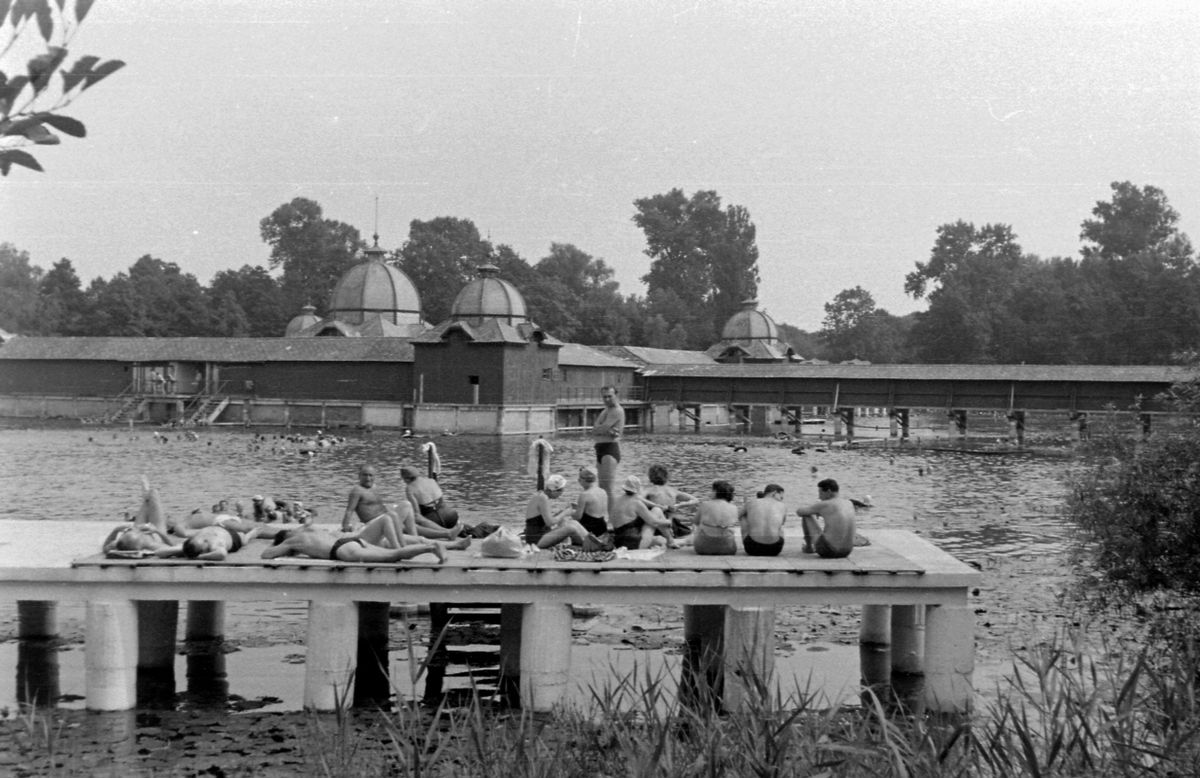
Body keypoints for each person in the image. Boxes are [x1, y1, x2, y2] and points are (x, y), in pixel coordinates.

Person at [262, 514, 454, 564]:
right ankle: (429, 545)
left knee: (393, 555)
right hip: (352, 541)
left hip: (343, 551)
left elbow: (266, 555)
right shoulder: (310, 529)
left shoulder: (293, 540)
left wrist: (285, 547)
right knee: (393, 554)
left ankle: (431, 547)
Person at [345, 464, 460, 541]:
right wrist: (345, 526)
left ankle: (419, 538)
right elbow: (349, 510)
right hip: (375, 522)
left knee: (406, 505)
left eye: (371, 475)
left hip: (385, 516)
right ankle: (446, 534)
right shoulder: (357, 490)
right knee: (410, 522)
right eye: (365, 475)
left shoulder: (374, 487)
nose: (368, 478)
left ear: (375, 476)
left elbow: (377, 506)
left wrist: (390, 509)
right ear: (359, 476)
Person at [102, 478, 179, 555]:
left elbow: (105, 548)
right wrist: (157, 531)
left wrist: (116, 530)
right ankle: (147, 496)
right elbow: (173, 547)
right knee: (154, 493)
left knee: (148, 500)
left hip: (136, 537)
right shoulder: (151, 545)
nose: (131, 530)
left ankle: (146, 497)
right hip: (155, 534)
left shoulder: (119, 544)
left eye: (128, 531)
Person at [523, 473, 594, 548]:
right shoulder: (543, 498)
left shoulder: (541, 495)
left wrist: (560, 513)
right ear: (554, 491)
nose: (561, 494)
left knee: (573, 522)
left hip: (541, 535)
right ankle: (590, 545)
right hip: (537, 540)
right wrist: (564, 513)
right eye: (561, 491)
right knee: (571, 528)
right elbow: (550, 523)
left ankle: (591, 541)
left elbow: (542, 520)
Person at [610, 475, 675, 550]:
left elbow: (643, 500)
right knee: (657, 511)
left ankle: (670, 539)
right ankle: (671, 540)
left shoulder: (618, 499)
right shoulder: (636, 503)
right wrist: (668, 522)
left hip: (619, 542)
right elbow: (654, 522)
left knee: (657, 510)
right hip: (634, 544)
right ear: (637, 489)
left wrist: (658, 505)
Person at [795, 478, 856, 558]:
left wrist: (816, 511)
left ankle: (809, 548)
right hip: (847, 551)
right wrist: (819, 512)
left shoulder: (825, 504)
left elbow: (800, 512)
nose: (819, 497)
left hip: (828, 551)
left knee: (807, 515)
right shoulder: (849, 503)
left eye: (820, 493)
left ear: (828, 492)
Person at [400, 465, 462, 533]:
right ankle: (460, 528)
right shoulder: (431, 480)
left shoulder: (410, 488)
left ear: (406, 479)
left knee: (416, 519)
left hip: (434, 520)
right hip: (451, 515)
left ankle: (447, 532)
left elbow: (417, 513)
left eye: (403, 480)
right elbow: (442, 502)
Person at [644, 464, 700, 537]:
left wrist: (654, 505)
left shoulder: (649, 490)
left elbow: (637, 498)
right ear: (666, 477)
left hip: (657, 525)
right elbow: (695, 500)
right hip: (672, 524)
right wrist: (679, 505)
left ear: (650, 478)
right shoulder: (673, 491)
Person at [591, 385, 625, 504]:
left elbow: (601, 428)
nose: (607, 399)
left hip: (610, 449)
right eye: (604, 397)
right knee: (601, 488)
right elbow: (595, 429)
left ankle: (612, 519)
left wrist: (603, 429)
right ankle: (603, 516)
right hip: (600, 448)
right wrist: (605, 429)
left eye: (609, 396)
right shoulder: (605, 410)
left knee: (608, 488)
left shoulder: (617, 410)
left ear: (616, 395)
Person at [739, 483, 787, 557]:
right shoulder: (782, 505)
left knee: (743, 516)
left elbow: (737, 515)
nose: (781, 500)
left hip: (752, 548)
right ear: (774, 493)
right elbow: (782, 523)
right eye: (781, 497)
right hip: (775, 549)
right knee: (779, 526)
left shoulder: (751, 502)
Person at [693, 480, 740, 555]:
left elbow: (695, 522)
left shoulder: (705, 504)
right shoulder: (734, 507)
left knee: (698, 525)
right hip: (728, 549)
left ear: (715, 492)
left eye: (712, 490)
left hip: (703, 548)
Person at [569, 465, 610, 539]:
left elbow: (577, 517)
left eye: (579, 479)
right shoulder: (603, 491)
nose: (578, 480)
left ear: (584, 480)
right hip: (602, 528)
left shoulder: (584, 494)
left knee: (567, 523)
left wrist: (570, 512)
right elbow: (594, 509)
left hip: (590, 530)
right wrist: (578, 507)